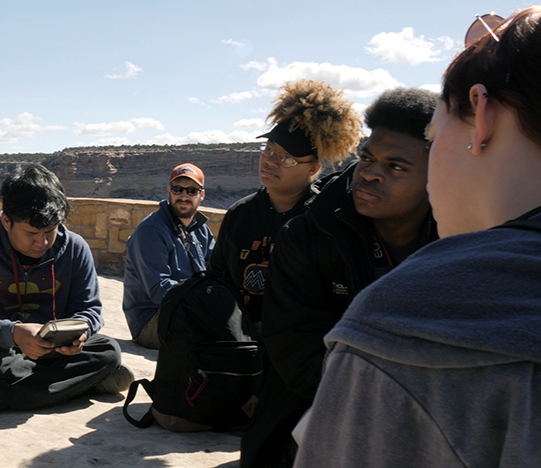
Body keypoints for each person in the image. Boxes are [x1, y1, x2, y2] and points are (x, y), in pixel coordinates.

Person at [294, 8, 541, 466]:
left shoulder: (401, 323)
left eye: (433, 131)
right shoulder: (312, 231)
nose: (370, 175)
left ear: (481, 112)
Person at [241, 87, 440, 467]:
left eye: (396, 167)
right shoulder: (310, 235)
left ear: (437, 177)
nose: (370, 174)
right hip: (324, 405)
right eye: (367, 158)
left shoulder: (459, 236)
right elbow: (295, 347)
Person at [0, 164, 132, 418]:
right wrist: (13, 333)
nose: (41, 243)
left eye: (49, 231)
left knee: (107, 350)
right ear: (6, 220)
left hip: (57, 352)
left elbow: (89, 309)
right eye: (31, 233)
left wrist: (79, 334)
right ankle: (84, 381)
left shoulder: (75, 248)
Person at [209, 79, 362, 324]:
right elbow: (217, 279)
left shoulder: (323, 222)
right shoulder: (241, 214)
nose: (270, 161)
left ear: (313, 167)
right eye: (268, 148)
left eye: (287, 158)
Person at [122, 163, 215, 349]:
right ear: (169, 192)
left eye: (192, 190)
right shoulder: (151, 231)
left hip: (188, 309)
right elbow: (160, 290)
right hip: (154, 320)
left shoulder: (201, 230)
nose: (184, 196)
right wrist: (204, 300)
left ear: (201, 195)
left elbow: (216, 271)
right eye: (178, 189)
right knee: (217, 339)